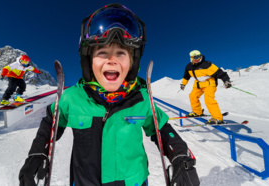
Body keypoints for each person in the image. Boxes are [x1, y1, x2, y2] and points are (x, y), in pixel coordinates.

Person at [18, 4, 200, 186]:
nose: (111, 59)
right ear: (88, 61)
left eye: (121, 53)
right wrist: (37, 153)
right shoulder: (72, 98)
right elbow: (50, 123)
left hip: (134, 182)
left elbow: (162, 129)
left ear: (132, 63)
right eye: (102, 52)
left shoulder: (142, 100)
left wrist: (180, 155)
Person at [180, 50, 232, 124]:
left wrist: (226, 81)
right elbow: (186, 76)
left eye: (199, 57)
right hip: (198, 85)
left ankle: (217, 118)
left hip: (209, 84)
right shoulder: (189, 67)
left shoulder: (207, 65)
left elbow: (220, 73)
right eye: (195, 58)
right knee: (192, 96)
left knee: (209, 99)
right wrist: (183, 84)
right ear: (191, 58)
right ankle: (197, 112)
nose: (197, 59)